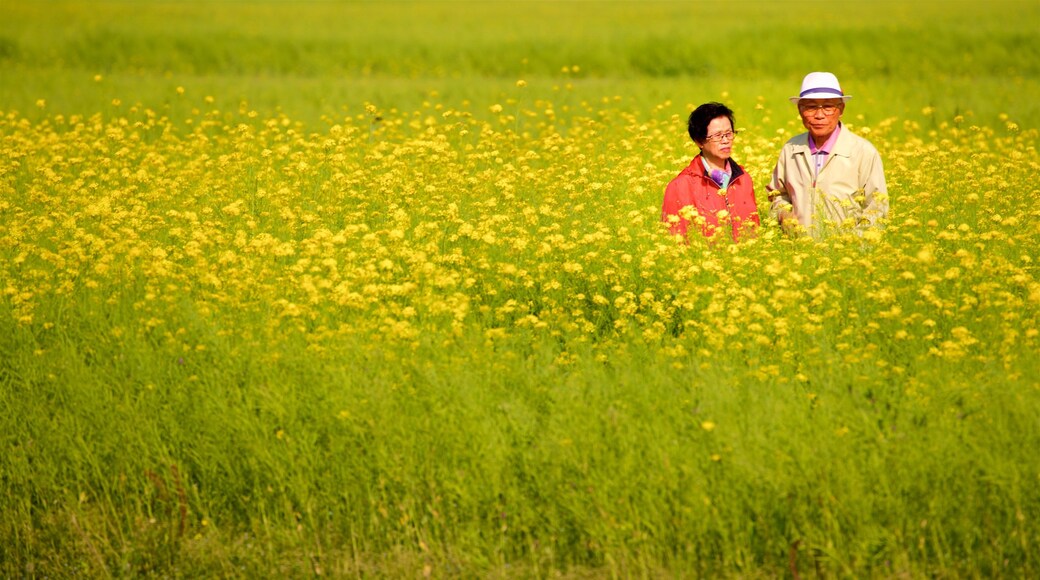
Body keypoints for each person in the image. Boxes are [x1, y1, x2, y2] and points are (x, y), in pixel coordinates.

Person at [767, 72, 887, 237]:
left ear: (841, 109)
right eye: (811, 107)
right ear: (800, 110)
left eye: (828, 107)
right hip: (798, 254)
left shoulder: (862, 152)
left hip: (847, 254)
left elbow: (877, 209)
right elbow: (777, 195)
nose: (819, 115)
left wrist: (855, 250)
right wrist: (783, 215)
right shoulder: (791, 149)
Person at [661, 102, 760, 241]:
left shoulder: (743, 179)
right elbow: (676, 242)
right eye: (718, 136)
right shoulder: (680, 186)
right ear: (699, 141)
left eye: (729, 134)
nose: (726, 141)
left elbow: (754, 230)